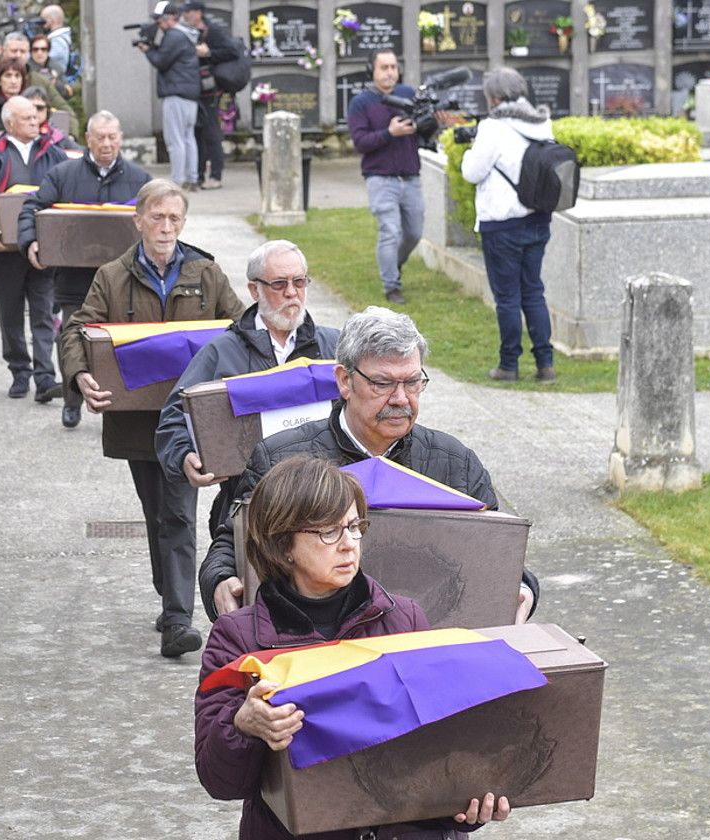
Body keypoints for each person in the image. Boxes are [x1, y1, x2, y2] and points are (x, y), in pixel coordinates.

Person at [194, 456, 513, 840]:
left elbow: (435, 749)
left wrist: (465, 807)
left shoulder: (405, 619)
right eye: (329, 532)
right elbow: (219, 781)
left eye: (354, 527)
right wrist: (242, 726)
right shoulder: (237, 637)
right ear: (283, 544)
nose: (348, 545)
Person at [197, 306, 540, 623]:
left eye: (412, 381)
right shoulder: (280, 459)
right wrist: (221, 581)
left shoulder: (455, 464)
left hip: (422, 645)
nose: (401, 398)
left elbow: (499, 549)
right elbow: (232, 543)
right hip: (309, 640)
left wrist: (522, 588)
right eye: (382, 383)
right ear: (344, 381)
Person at [57, 179, 245, 658]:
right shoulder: (112, 276)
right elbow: (79, 327)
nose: (166, 227)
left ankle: (179, 620)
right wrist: (80, 376)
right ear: (137, 219)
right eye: (157, 218)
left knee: (179, 513)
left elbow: (242, 328)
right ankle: (170, 593)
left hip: (188, 419)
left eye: (174, 219)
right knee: (155, 511)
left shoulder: (206, 273)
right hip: (136, 421)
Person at [155, 240, 341, 530]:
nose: (292, 292)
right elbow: (174, 419)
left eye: (299, 282)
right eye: (279, 284)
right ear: (254, 290)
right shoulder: (222, 352)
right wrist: (184, 458)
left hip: (326, 506)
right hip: (250, 508)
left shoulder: (335, 346)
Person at [17, 111, 151, 429]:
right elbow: (32, 207)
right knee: (73, 339)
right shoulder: (63, 174)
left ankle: (120, 403)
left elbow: (159, 216)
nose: (106, 144)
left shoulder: (141, 179)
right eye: (100, 137)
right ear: (88, 139)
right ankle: (72, 400)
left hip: (125, 279)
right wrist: (31, 241)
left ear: (121, 139)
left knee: (122, 342)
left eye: (112, 137)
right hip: (75, 279)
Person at [0, 96, 71, 401]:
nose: (35, 121)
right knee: (9, 314)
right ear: (10, 123)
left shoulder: (55, 153)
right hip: (5, 251)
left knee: (44, 312)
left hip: (44, 248)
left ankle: (45, 378)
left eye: (36, 116)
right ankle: (19, 371)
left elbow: (72, 188)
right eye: (27, 118)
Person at [461, 68, 557, 384]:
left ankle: (508, 365)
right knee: (533, 291)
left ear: (495, 97)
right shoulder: (542, 122)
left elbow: (472, 172)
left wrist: (468, 151)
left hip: (502, 223)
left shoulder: (492, 127)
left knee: (508, 297)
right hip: (538, 217)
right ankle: (545, 364)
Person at [348, 49, 424, 306]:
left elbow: (424, 133)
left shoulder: (408, 95)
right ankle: (392, 286)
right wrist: (390, 133)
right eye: (384, 67)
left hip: (410, 176)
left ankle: (394, 263)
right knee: (390, 230)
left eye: (393, 67)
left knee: (414, 233)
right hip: (380, 178)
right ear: (373, 70)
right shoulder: (361, 102)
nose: (390, 72)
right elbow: (361, 142)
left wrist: (434, 123)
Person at [139, 1, 202, 192]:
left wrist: (148, 50)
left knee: (175, 140)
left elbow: (161, 61)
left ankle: (177, 182)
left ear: (170, 18)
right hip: (189, 94)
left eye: (160, 20)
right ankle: (192, 178)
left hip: (176, 93)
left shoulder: (173, 36)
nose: (158, 24)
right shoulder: (185, 34)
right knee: (188, 138)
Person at [182, 1, 238, 190]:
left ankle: (215, 175)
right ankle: (198, 175)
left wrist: (209, 53)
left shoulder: (213, 31)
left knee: (212, 132)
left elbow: (232, 52)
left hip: (210, 91)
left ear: (198, 13)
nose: (185, 15)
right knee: (196, 132)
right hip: (193, 89)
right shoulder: (186, 31)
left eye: (188, 12)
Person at [0, 33, 72, 114]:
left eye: (22, 51)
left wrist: (71, 135)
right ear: (3, 52)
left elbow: (65, 110)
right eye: (14, 51)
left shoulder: (40, 81)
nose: (18, 55)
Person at [22, 87, 82, 152]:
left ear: (47, 110)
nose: (35, 112)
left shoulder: (57, 138)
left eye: (40, 108)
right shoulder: (12, 137)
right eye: (30, 107)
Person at [40, 4, 73, 85]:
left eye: (43, 20)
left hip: (55, 82)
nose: (41, 24)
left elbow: (43, 59)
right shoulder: (59, 37)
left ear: (51, 20)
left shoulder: (57, 41)